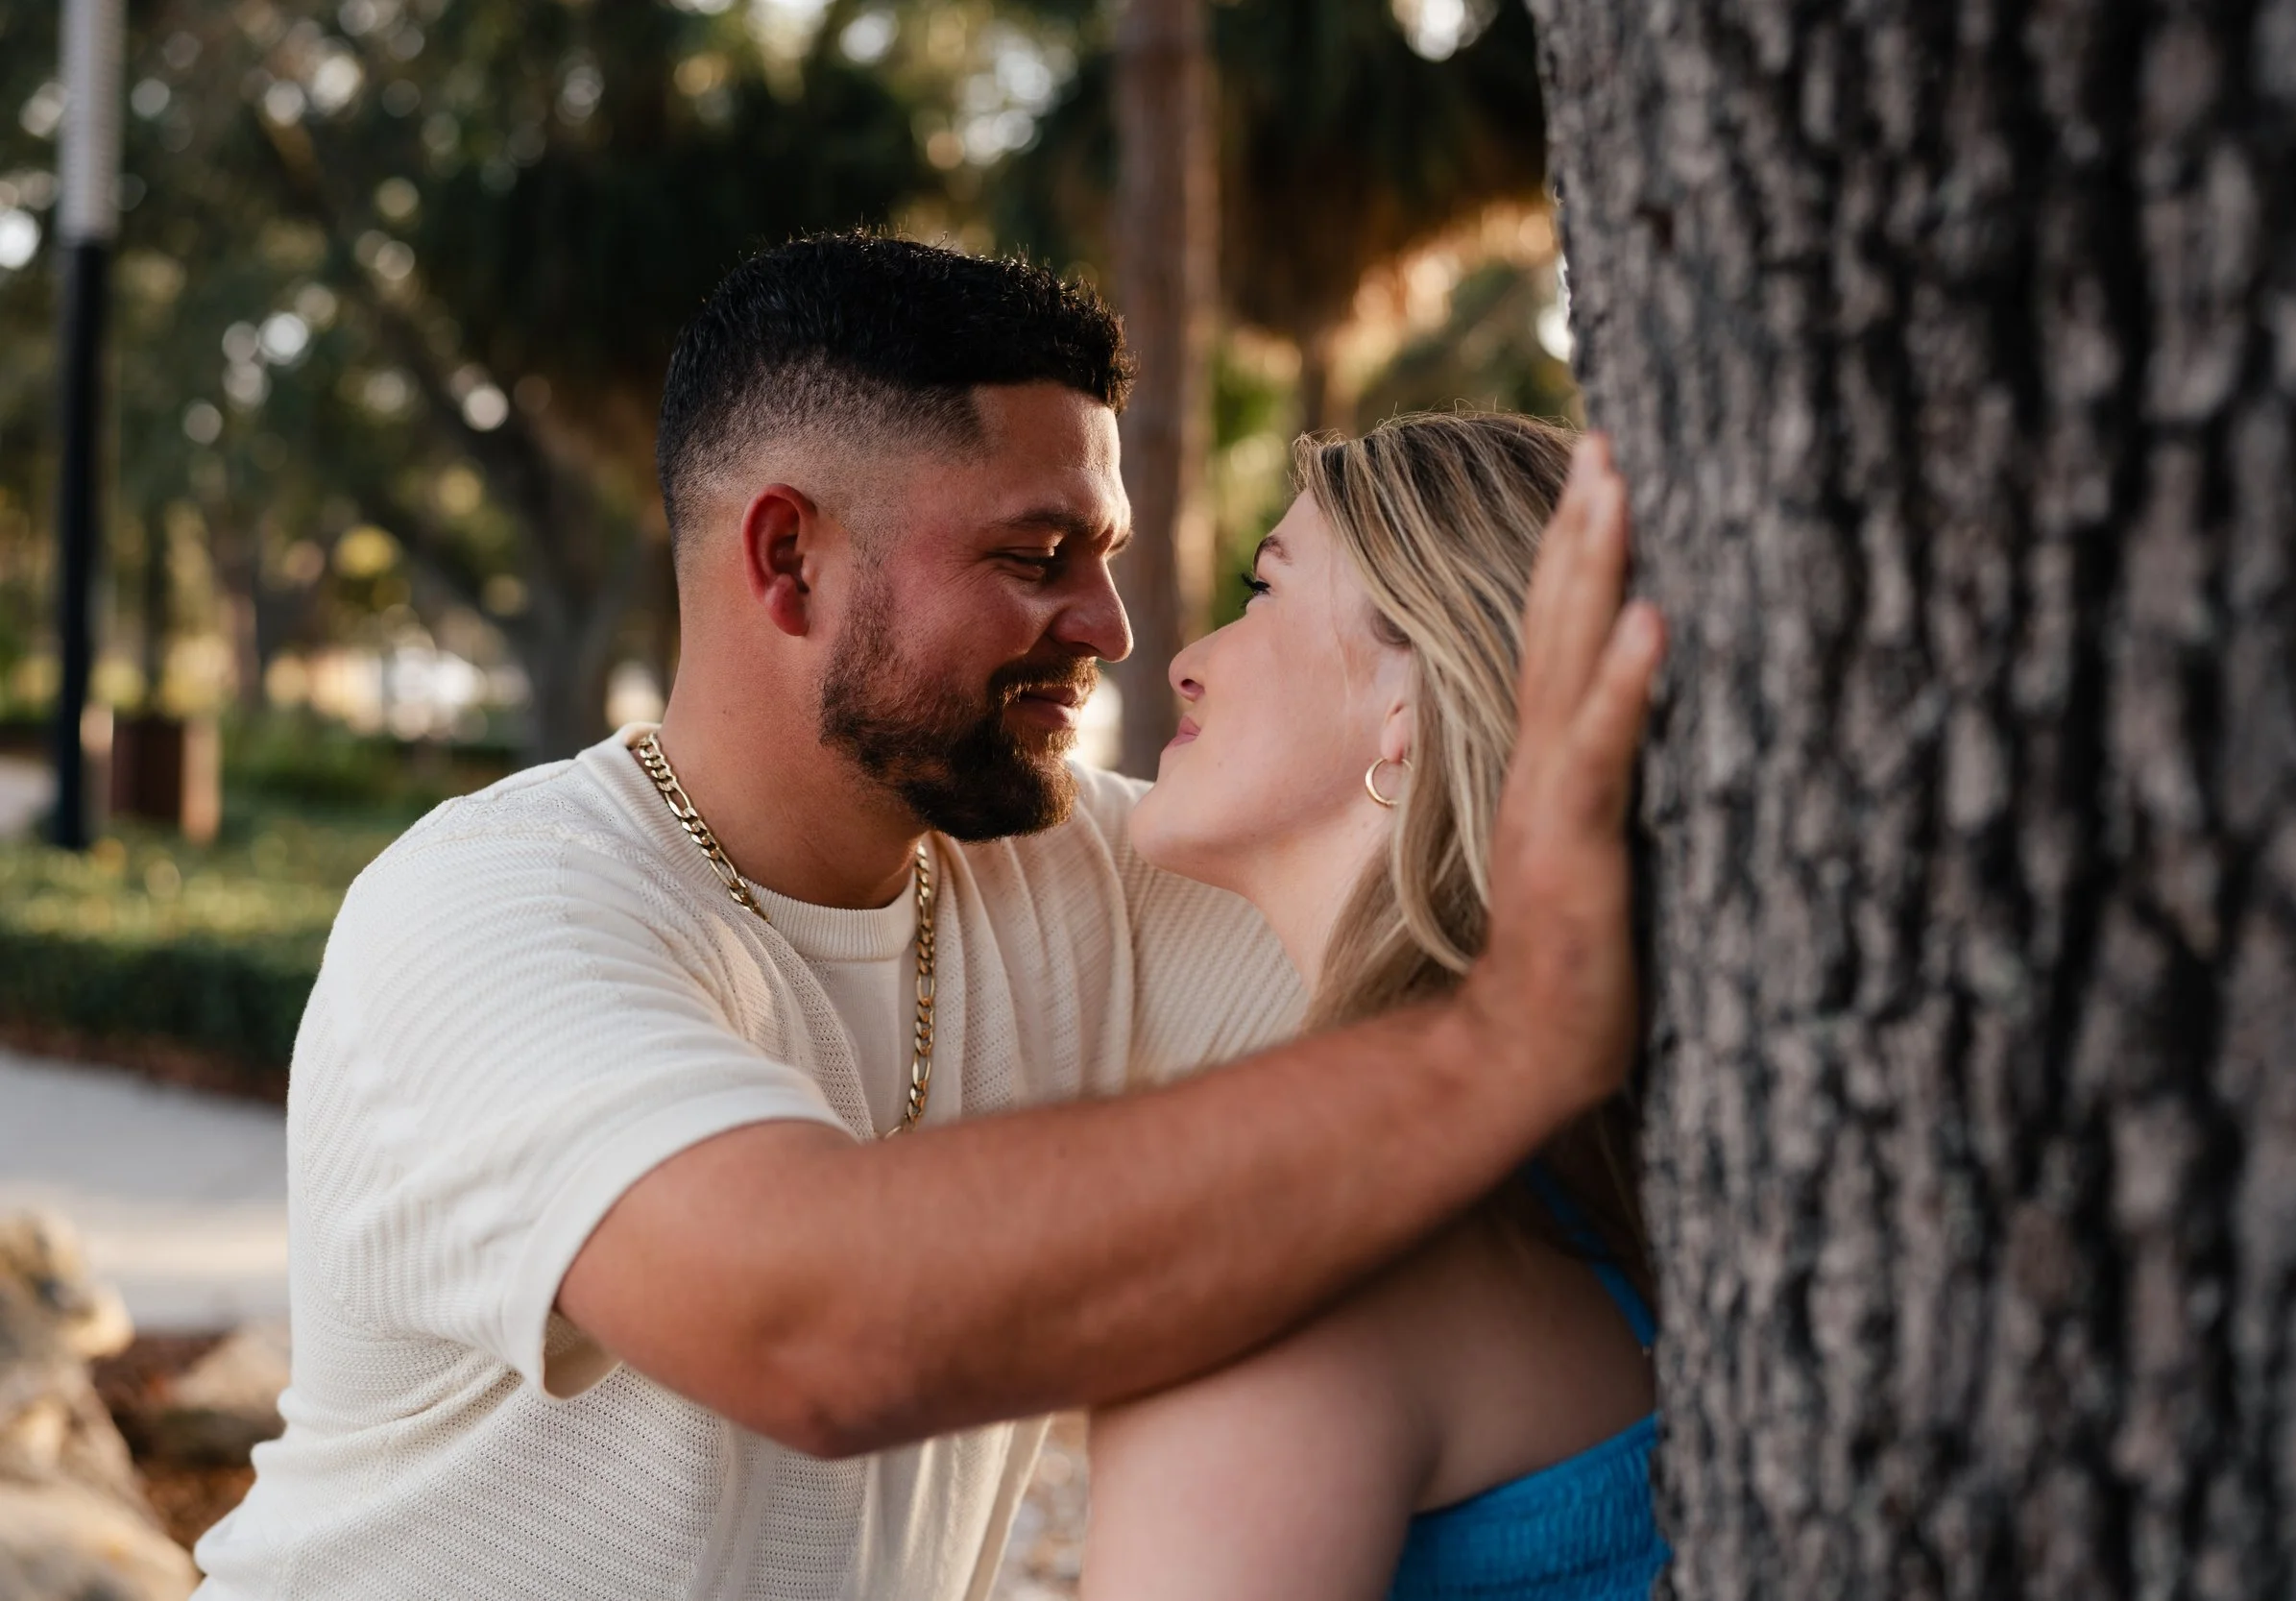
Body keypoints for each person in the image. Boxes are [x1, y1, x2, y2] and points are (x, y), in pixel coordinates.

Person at [193, 234, 1663, 1599]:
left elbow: (1414, 902)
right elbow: (812, 1327)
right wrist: (1503, 1045)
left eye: (1106, 554)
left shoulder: (1120, 873)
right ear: (789, 561)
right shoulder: (486, 917)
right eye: (1035, 556)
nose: (1113, 628)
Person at [1083, 411, 1667, 1600]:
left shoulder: (1292, 1261)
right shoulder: (1587, 1158)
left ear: (1410, 702)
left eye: (1263, 590)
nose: (1185, 658)